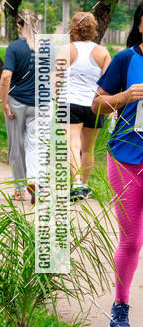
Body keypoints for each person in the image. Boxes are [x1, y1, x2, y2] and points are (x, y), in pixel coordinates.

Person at [91, 2, 143, 327]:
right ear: (140, 26)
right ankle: (120, 303)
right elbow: (97, 104)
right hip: (127, 159)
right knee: (132, 239)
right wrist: (125, 96)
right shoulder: (126, 59)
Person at [57, 12, 110, 200]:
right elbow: (108, 83)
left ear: (74, 28)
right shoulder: (102, 52)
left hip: (70, 102)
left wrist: (54, 100)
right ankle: (84, 186)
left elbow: (56, 78)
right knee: (89, 148)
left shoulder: (66, 50)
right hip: (94, 104)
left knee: (72, 141)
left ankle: (76, 182)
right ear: (93, 28)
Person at [0, 10, 38, 202]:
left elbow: (6, 76)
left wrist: (4, 102)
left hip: (16, 102)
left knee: (16, 147)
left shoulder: (14, 48)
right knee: (34, 145)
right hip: (40, 104)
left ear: (19, 25)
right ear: (37, 24)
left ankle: (20, 189)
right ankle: (35, 182)